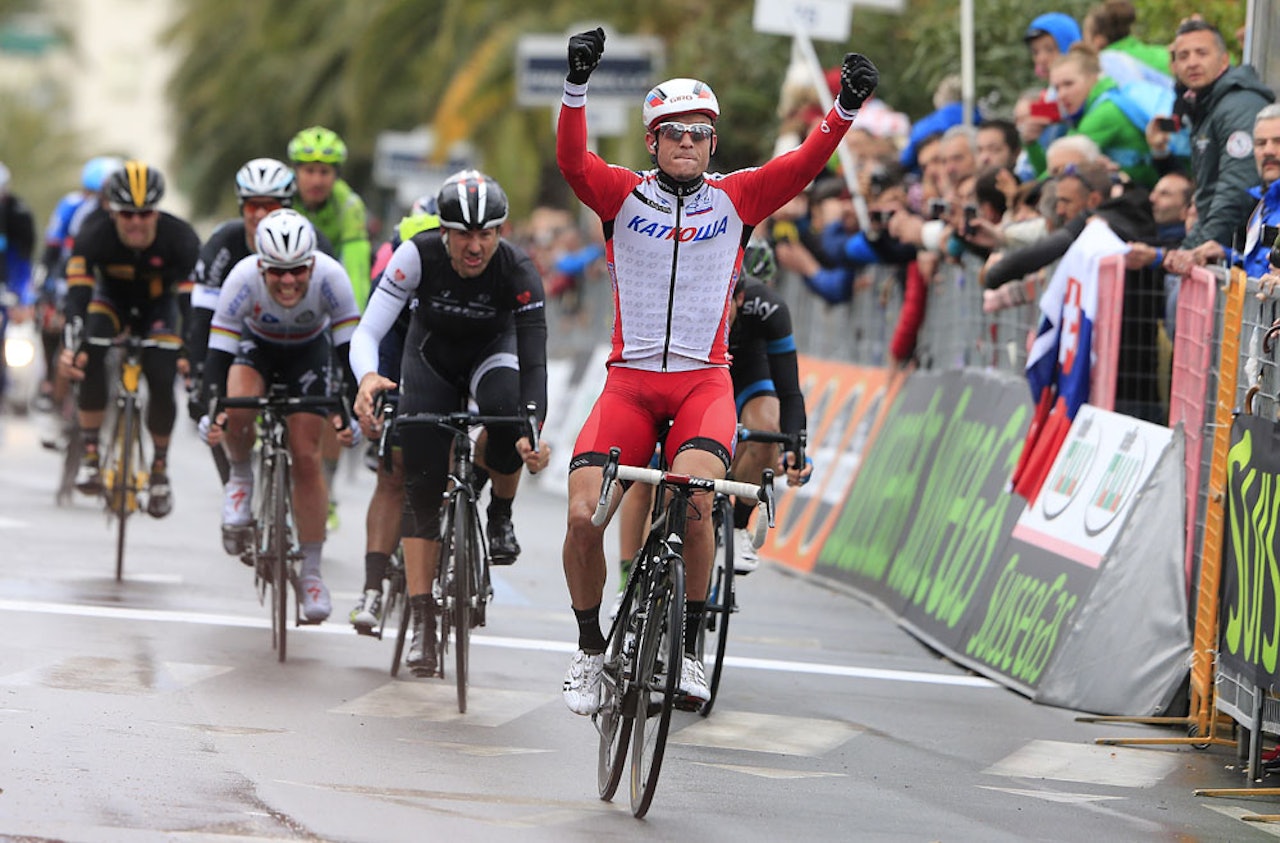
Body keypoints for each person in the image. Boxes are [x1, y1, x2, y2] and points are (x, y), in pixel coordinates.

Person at [554, 26, 877, 715]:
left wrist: (843, 109)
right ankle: (589, 650)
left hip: (704, 382)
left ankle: (692, 649)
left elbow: (805, 164)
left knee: (698, 501)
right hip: (630, 383)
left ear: (713, 141)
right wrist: (574, 86)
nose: (689, 144)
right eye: (675, 133)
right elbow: (573, 162)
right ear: (653, 141)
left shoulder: (738, 199)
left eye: (701, 133)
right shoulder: (621, 196)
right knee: (583, 515)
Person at [350, 170, 551, 675]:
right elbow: (369, 329)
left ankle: (499, 513)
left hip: (492, 354)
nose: (475, 245)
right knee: (419, 481)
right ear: (444, 231)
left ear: (500, 233)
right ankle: (421, 621)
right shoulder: (416, 255)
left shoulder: (517, 268)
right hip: (431, 360)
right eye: (463, 233)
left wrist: (533, 429)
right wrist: (368, 377)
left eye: (486, 233)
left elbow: (536, 364)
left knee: (508, 417)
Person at [610, 241, 811, 612]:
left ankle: (737, 523)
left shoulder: (768, 308)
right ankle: (630, 576)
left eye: (726, 305)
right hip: (687, 375)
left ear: (739, 299)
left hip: (746, 374)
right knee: (649, 473)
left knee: (767, 427)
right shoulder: (678, 301)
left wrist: (796, 447)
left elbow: (789, 391)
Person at [201, 209, 361, 623]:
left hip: (309, 352)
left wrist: (349, 409)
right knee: (237, 406)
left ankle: (310, 571)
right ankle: (240, 476)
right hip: (258, 348)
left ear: (311, 263)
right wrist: (212, 408)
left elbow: (349, 355)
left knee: (306, 457)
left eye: (297, 271)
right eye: (277, 272)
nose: (288, 282)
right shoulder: (241, 279)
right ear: (261, 265)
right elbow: (218, 354)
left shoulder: (332, 278)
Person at [60, 160, 199, 517]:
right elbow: (77, 294)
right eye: (127, 214)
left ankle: (159, 469)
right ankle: (91, 452)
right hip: (111, 303)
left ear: (157, 211)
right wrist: (73, 342)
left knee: (162, 374)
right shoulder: (93, 234)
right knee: (89, 352)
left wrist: (189, 349)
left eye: (145, 213)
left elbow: (189, 303)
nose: (136, 222)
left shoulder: (180, 238)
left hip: (159, 307)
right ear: (112, 211)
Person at [185, 157, 335, 479]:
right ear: (241, 207)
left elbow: (335, 314)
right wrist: (199, 375)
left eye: (270, 205)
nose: (260, 214)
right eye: (252, 205)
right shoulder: (224, 243)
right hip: (241, 338)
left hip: (303, 338)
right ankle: (235, 485)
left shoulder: (314, 242)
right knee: (221, 404)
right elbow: (202, 317)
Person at [348, 194, 441, 636]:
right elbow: (374, 339)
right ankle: (372, 586)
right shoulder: (393, 268)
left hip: (447, 362)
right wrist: (374, 393)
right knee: (393, 472)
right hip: (399, 357)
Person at [288, 125, 373, 531]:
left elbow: (355, 267)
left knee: (329, 398)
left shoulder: (348, 206)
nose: (317, 179)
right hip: (284, 295)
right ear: (296, 173)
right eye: (309, 170)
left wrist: (349, 321)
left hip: (328, 295)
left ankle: (327, 485)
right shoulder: (281, 200)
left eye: (326, 171)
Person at [1161, 19, 1275, 274]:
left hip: (1241, 256)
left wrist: (1195, 249)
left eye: (1201, 53)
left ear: (1224, 60)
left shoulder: (1237, 105)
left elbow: (1236, 188)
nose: (1192, 62)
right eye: (1183, 56)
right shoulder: (1206, 105)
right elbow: (1209, 193)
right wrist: (1190, 247)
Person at [33, 156, 121, 415]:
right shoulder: (73, 209)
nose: (98, 201)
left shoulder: (131, 217)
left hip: (111, 285)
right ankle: (53, 389)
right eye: (92, 193)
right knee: (57, 326)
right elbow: (54, 253)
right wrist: (43, 290)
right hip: (73, 274)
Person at [1044, 45, 1158, 186]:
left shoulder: (1104, 113)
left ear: (1093, 79)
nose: (1061, 94)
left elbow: (1057, 169)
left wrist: (1025, 194)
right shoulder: (1098, 105)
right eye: (1057, 88)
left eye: (1069, 84)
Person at [0, 162, 37, 407]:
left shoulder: (19, 216)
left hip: (6, 284)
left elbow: (23, 263)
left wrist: (22, 297)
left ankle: (5, 382)